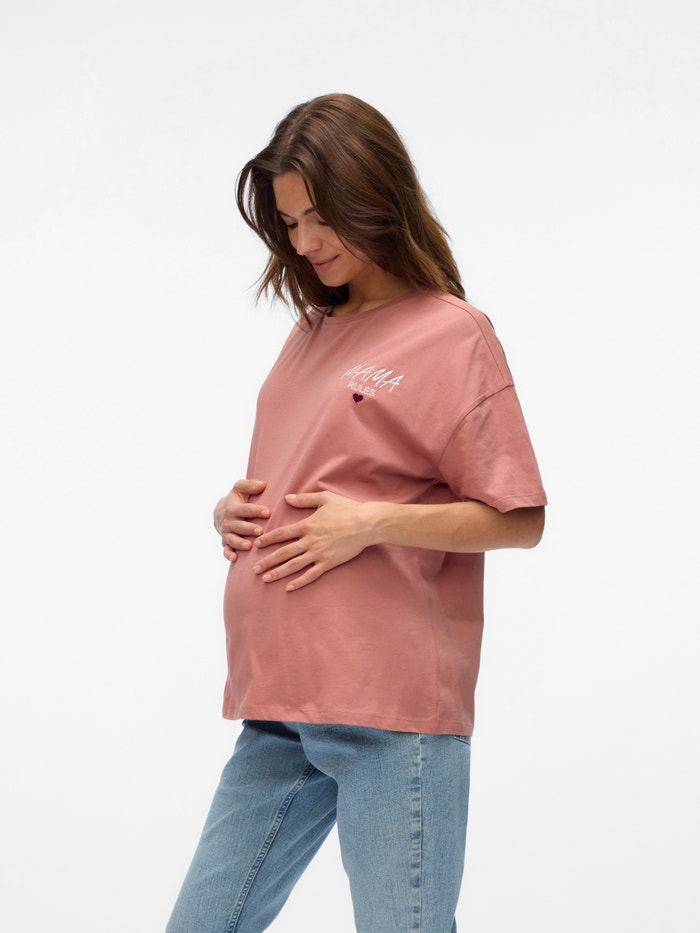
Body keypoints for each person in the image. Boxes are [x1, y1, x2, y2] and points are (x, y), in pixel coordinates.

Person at [166, 93, 547, 933]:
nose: (305, 241)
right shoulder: (310, 330)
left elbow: (518, 517)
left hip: (391, 714)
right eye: (290, 222)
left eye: (320, 216)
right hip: (278, 706)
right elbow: (311, 467)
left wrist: (371, 522)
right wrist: (230, 510)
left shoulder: (453, 334)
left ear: (373, 193)